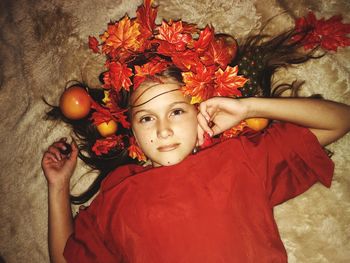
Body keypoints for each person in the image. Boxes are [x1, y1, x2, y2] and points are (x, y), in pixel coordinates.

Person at [41, 1, 350, 262]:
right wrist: (58, 186)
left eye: (176, 111)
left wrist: (249, 107)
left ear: (199, 110)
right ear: (132, 129)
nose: (163, 130)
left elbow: (339, 120)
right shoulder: (116, 194)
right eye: (146, 119)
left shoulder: (240, 158)